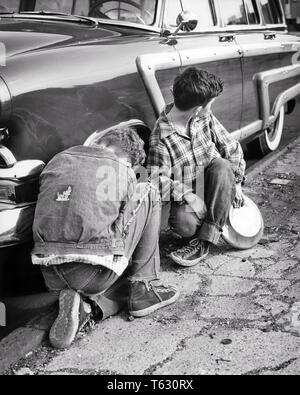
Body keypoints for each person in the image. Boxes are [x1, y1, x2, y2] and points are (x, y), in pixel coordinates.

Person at [31, 127, 179, 350]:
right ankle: (142, 289)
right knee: (148, 191)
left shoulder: (58, 159)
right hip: (91, 275)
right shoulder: (121, 169)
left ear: (100, 141)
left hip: (49, 274)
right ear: (125, 157)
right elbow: (124, 219)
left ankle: (86, 308)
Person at [147, 67, 246, 267]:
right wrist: (187, 194)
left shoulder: (203, 117)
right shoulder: (161, 138)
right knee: (184, 225)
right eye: (210, 105)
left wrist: (237, 184)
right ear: (198, 108)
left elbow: (231, 147)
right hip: (191, 191)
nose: (210, 109)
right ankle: (218, 214)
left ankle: (204, 241)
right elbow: (156, 179)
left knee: (221, 164)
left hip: (217, 179)